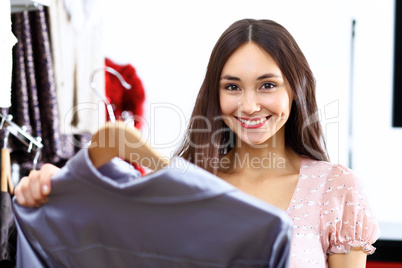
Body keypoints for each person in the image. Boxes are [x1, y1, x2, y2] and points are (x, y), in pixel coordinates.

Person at [15, 19, 379, 267]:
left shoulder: (337, 189)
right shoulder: (183, 183)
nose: (249, 105)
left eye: (267, 85)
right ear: (215, 94)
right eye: (232, 86)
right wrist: (53, 188)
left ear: (295, 90)